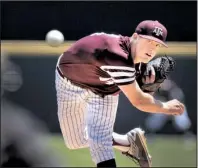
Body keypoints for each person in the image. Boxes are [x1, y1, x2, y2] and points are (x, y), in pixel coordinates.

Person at [55, 20, 184, 167]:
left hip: (105, 89)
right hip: (70, 83)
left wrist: (148, 84)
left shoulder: (138, 61)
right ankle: (129, 143)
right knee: (74, 142)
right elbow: (139, 101)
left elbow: (141, 88)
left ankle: (121, 143)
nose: (152, 48)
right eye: (148, 41)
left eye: (157, 45)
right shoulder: (117, 55)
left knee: (100, 142)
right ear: (135, 37)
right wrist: (166, 107)